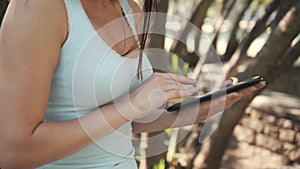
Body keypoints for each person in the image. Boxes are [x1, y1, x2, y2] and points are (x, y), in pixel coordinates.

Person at [0, 0, 265, 168]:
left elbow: (127, 122)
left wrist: (200, 111)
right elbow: (12, 153)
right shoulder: (38, 7)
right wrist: (129, 106)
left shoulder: (129, 9)